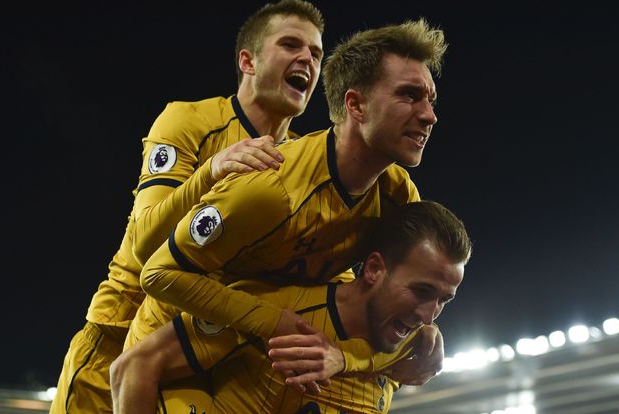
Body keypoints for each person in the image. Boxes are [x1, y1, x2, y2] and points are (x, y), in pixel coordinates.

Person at [131, 18, 447, 390]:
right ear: (355, 105)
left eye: (430, 99)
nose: (429, 115)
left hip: (263, 366)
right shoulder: (271, 187)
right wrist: (275, 321)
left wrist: (357, 355)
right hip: (170, 363)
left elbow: (406, 316)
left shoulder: (399, 199)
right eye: (409, 95)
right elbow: (156, 272)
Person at [50, 1, 325, 412]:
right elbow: (145, 245)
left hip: (204, 358)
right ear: (247, 61)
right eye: (290, 44)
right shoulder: (189, 121)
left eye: (316, 53)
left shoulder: (303, 161)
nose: (307, 58)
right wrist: (210, 172)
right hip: (118, 338)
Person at [111, 201, 472, 413]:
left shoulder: (411, 345)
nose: (429, 315)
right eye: (421, 291)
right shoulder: (284, 313)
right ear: (375, 269)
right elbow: (134, 366)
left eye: (443, 299)